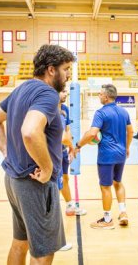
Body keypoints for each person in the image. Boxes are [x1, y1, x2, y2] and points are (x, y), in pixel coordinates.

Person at [0, 44, 75, 264]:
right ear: (51, 70)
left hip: (14, 179)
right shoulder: (48, 94)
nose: (69, 74)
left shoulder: (21, 89)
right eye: (66, 69)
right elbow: (30, 131)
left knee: (20, 243)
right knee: (43, 252)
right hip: (35, 184)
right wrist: (47, 168)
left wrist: (7, 151)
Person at [75, 84, 133, 230]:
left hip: (107, 155)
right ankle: (123, 212)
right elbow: (130, 131)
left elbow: (92, 133)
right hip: (121, 154)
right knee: (118, 183)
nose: (99, 96)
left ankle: (107, 220)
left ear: (106, 96)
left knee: (105, 187)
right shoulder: (123, 112)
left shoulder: (101, 113)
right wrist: (126, 147)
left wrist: (78, 145)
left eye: (100, 94)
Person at [58, 88, 87, 217]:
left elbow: (67, 129)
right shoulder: (49, 108)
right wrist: (70, 144)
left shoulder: (65, 109)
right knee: (54, 181)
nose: (65, 94)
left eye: (66, 92)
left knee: (65, 178)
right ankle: (49, 210)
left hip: (63, 150)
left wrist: (70, 146)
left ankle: (70, 206)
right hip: (53, 152)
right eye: (63, 91)